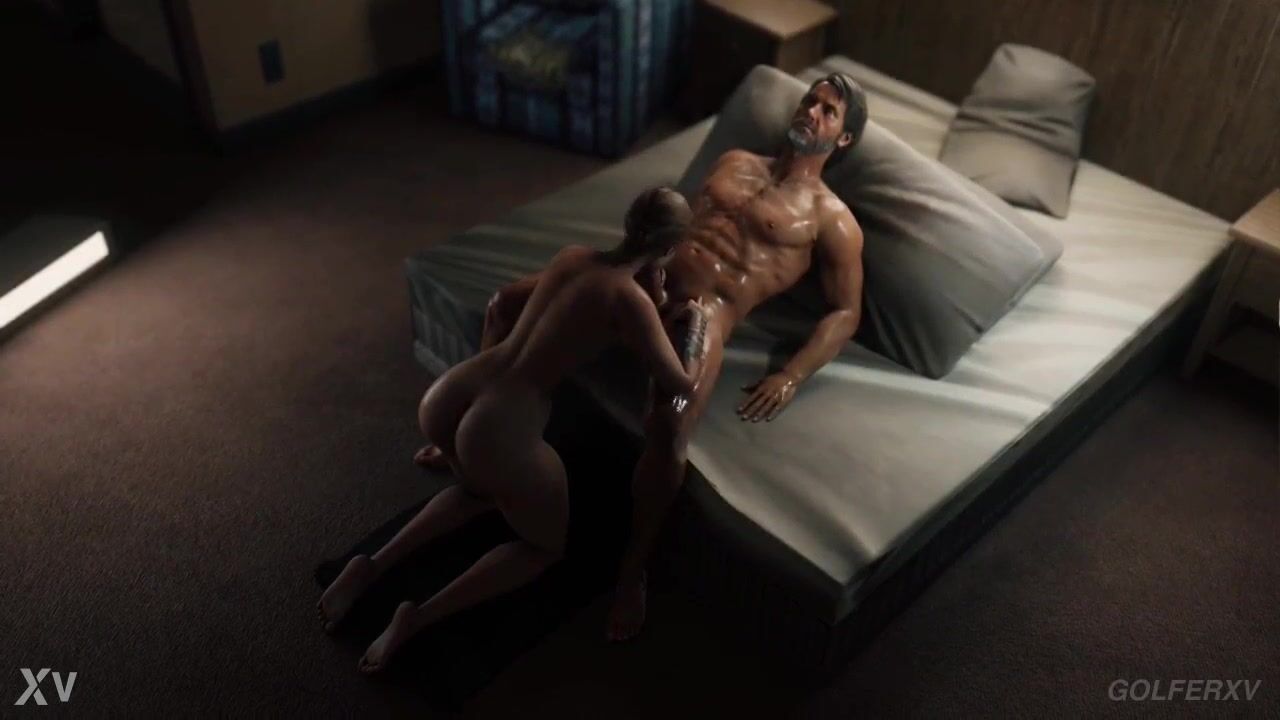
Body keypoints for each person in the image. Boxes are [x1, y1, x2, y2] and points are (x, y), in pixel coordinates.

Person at [317, 187, 709, 673]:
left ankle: (370, 566)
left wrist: (651, 288)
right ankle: (416, 617)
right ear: (669, 249)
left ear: (628, 224)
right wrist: (695, 323)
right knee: (543, 547)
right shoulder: (630, 300)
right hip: (501, 423)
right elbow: (681, 385)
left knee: (475, 491)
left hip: (452, 394)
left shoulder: (572, 256)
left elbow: (513, 304)